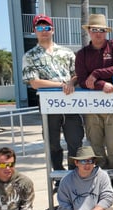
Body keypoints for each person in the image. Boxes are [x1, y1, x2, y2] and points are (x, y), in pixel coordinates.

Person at [22, 14, 84, 178]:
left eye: (47, 27)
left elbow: (76, 74)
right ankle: (58, 175)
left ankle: (74, 175)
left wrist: (71, 83)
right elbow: (34, 82)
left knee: (75, 141)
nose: (44, 31)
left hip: (70, 102)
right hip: (48, 104)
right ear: (35, 31)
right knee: (52, 143)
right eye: (40, 28)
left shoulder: (67, 52)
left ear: (53, 30)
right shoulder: (29, 56)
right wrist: (61, 85)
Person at [75, 14, 113, 187]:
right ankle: (102, 178)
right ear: (89, 31)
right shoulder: (81, 54)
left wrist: (96, 74)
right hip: (91, 107)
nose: (98, 34)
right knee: (96, 145)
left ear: (106, 32)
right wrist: (101, 84)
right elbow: (82, 81)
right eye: (95, 30)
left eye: (102, 30)